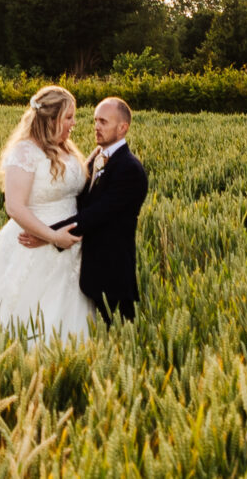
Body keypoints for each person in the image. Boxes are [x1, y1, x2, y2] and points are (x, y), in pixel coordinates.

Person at [0, 84, 95, 346]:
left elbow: (72, 186)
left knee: (70, 316)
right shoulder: (25, 152)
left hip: (71, 246)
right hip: (33, 246)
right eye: (68, 117)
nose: (74, 123)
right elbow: (15, 207)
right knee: (35, 321)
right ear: (50, 118)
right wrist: (53, 237)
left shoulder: (65, 147)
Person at [22, 94, 148, 323]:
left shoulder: (129, 169)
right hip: (86, 270)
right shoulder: (98, 157)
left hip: (112, 274)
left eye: (103, 122)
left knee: (118, 338)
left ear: (123, 128)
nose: (96, 127)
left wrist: (48, 234)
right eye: (95, 120)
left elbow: (96, 214)